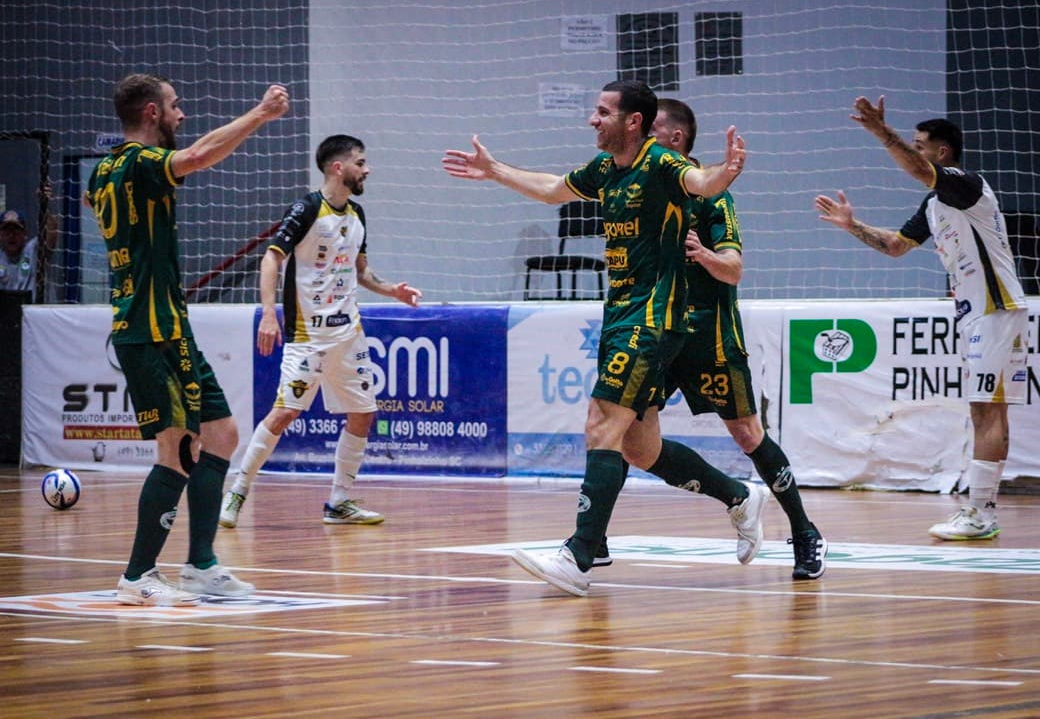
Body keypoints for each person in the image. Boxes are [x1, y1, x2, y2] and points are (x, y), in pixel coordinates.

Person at [444, 79, 762, 597]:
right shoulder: (604, 170)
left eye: (602, 111)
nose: (593, 119)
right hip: (619, 317)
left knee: (601, 423)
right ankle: (738, 496)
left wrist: (726, 171)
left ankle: (579, 557)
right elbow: (552, 190)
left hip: (652, 319)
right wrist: (494, 169)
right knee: (640, 447)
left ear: (632, 121)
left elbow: (701, 182)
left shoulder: (660, 163)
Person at [85, 73, 289, 605]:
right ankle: (137, 575)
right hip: (149, 328)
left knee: (221, 433)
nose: (183, 115)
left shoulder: (101, 172)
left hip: (170, 325)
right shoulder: (140, 163)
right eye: (176, 107)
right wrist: (260, 114)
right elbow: (197, 156)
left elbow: (100, 208)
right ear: (152, 113)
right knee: (178, 447)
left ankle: (201, 566)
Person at [814, 96, 1027, 540]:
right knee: (989, 410)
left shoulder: (966, 186)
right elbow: (895, 247)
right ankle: (982, 512)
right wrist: (851, 225)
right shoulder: (934, 206)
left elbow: (915, 168)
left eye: (920, 144)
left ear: (942, 152)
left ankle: (981, 512)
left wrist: (880, 131)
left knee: (985, 410)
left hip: (995, 306)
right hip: (981, 312)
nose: (914, 151)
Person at [637, 98, 826, 579]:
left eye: (650, 131)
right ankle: (592, 541)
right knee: (623, 429)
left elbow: (735, 269)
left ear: (675, 139)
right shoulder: (645, 188)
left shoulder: (712, 194)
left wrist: (702, 254)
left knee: (747, 434)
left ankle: (805, 533)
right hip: (658, 332)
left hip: (709, 336)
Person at [219, 134, 422, 529]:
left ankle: (339, 501)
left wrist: (391, 289)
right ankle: (238, 491)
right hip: (308, 335)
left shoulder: (358, 214)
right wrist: (267, 314)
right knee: (285, 413)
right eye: (360, 163)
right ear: (338, 167)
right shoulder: (308, 208)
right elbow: (271, 259)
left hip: (349, 335)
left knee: (363, 414)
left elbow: (361, 272)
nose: (367, 170)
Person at [0, 184, 58, 300]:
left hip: (34, 315)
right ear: (0, 235)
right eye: (7, 231)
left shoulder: (33, 251)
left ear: (25, 234)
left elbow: (51, 234)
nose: (12, 235)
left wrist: (45, 205)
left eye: (16, 230)